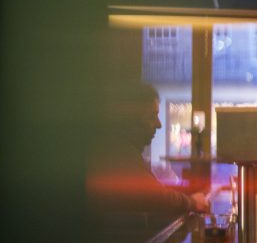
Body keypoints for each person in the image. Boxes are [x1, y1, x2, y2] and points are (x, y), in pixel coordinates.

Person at [88, 81, 208, 217]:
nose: (159, 124)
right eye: (151, 117)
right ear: (129, 121)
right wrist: (192, 202)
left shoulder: (122, 150)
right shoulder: (118, 155)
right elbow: (156, 196)